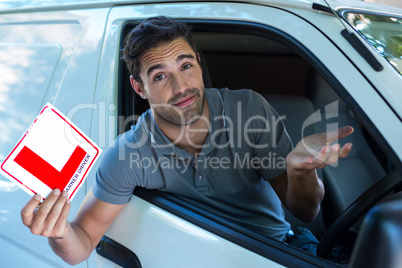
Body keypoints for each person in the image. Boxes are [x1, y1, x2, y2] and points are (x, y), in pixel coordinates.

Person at [20, 16, 354, 264]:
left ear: (198, 62)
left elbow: (305, 211)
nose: (181, 87)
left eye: (186, 66)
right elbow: (81, 245)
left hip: (276, 251)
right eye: (161, 76)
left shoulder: (248, 108)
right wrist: (59, 233)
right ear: (140, 88)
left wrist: (300, 172)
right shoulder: (127, 154)